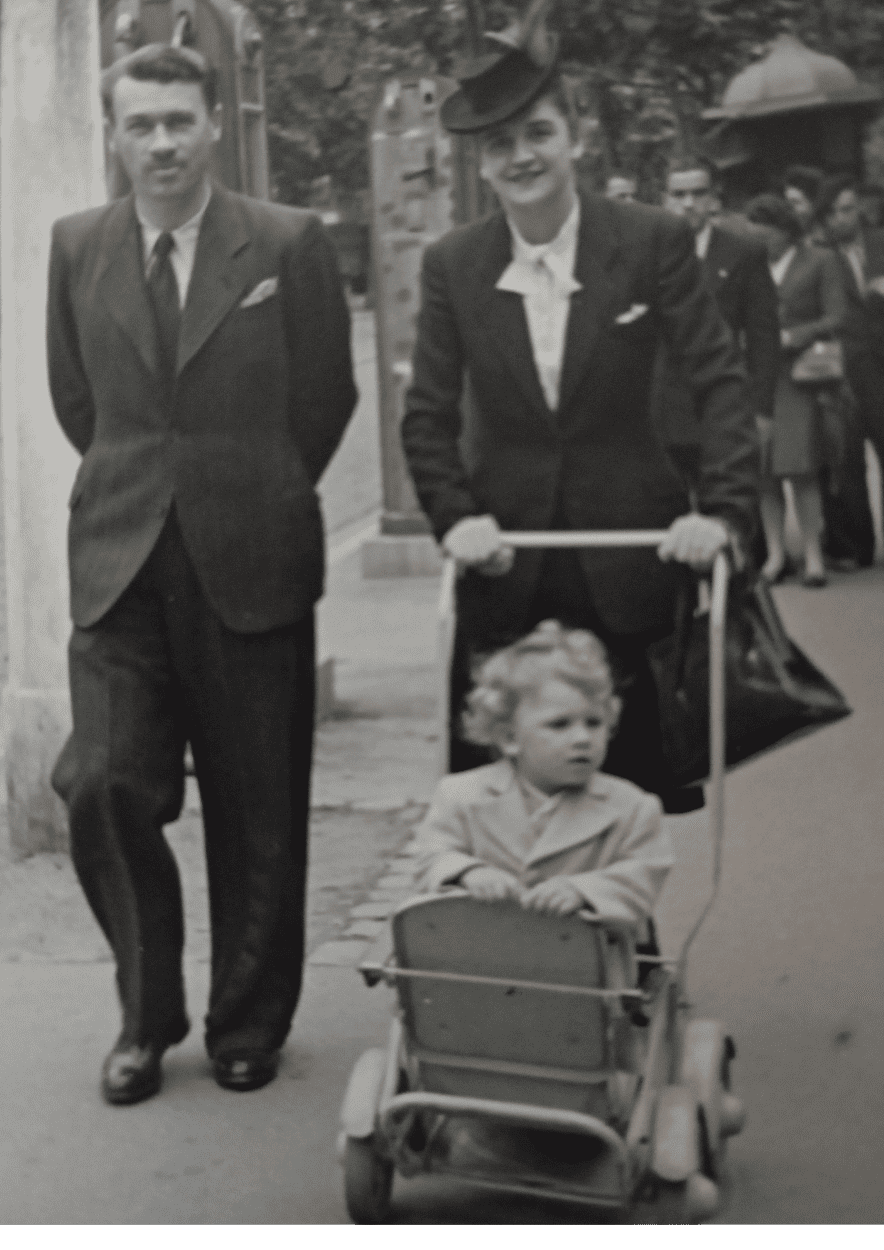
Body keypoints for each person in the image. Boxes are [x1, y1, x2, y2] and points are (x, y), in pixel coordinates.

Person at [46, 44, 357, 1104]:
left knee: (255, 802)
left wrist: (255, 486)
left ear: (214, 122)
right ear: (116, 136)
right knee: (99, 779)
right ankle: (147, 1010)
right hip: (121, 559)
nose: (163, 143)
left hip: (252, 554)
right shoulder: (77, 245)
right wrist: (153, 486)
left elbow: (324, 399)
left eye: (180, 120)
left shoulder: (286, 243)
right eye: (142, 125)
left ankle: (246, 1022)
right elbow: (77, 402)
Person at [401, 25, 759, 816]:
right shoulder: (454, 264)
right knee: (505, 804)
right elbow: (426, 414)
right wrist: (456, 520)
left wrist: (723, 515)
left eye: (538, 133)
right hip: (509, 560)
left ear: (576, 137)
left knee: (625, 801)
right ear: (480, 160)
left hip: (629, 557)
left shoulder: (648, 242)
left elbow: (720, 382)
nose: (521, 156)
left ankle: (624, 936)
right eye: (500, 144)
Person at [415, 621, 673, 927]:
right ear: (510, 738)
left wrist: (583, 890)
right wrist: (468, 872)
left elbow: (643, 875)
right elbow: (430, 856)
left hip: (581, 961)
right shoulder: (460, 795)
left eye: (594, 723)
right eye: (559, 724)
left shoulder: (633, 807)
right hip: (482, 952)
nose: (582, 738)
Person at [743, 194, 847, 586]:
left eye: (766, 235)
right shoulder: (747, 264)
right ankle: (774, 554)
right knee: (763, 470)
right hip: (755, 377)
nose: (760, 242)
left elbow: (836, 316)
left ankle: (814, 554)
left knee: (800, 467)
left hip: (797, 377)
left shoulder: (820, 260)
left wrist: (790, 336)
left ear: (787, 231)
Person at [658, 160, 780, 490]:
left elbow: (764, 339)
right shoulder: (644, 255)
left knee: (736, 518)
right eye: (678, 194)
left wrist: (763, 413)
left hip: (726, 410)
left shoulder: (744, 253)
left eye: (698, 193)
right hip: (663, 415)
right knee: (672, 526)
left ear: (714, 198)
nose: (688, 204)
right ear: (664, 199)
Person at [816, 175, 884, 565]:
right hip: (841, 371)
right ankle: (858, 547)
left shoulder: (880, 243)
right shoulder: (821, 256)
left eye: (848, 208)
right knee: (847, 464)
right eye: (833, 212)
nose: (842, 218)